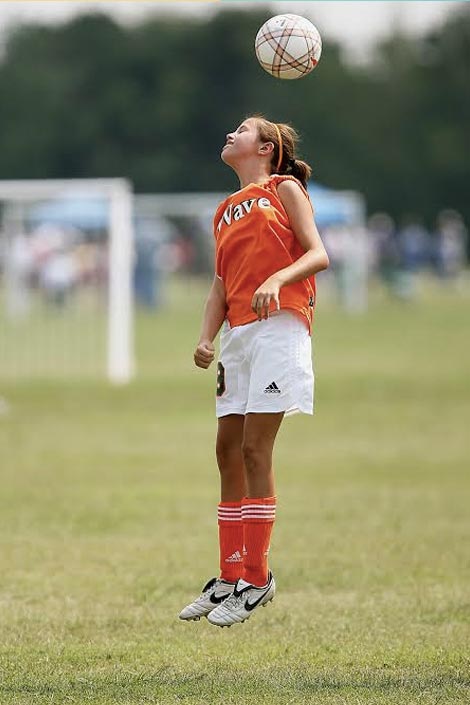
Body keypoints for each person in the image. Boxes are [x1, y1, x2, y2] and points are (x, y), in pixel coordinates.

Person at [179, 115, 329, 628]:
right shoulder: (222, 211)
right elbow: (220, 286)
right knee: (225, 452)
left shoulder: (283, 188)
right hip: (238, 337)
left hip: (279, 328)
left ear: (265, 148)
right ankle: (228, 575)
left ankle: (258, 578)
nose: (229, 134)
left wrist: (277, 279)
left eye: (241, 130)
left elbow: (318, 253)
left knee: (254, 449)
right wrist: (205, 336)